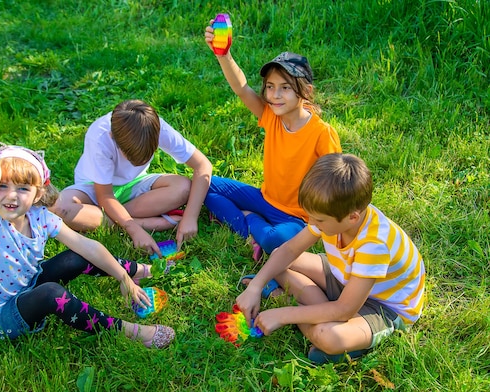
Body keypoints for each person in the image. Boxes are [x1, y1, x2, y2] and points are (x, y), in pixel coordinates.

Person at [0, 90, 175, 348]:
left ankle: (140, 272)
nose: (11, 196)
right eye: (2, 186)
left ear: (38, 193)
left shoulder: (40, 217)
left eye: (22, 189)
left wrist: (122, 277)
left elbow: (89, 247)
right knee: (52, 294)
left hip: (29, 288)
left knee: (76, 255)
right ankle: (129, 331)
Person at [236, 153, 426, 364]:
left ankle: (292, 302)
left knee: (328, 336)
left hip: (383, 306)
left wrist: (283, 314)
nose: (311, 223)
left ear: (352, 217)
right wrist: (255, 288)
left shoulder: (374, 245)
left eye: (318, 220)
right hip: (345, 276)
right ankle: (315, 312)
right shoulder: (335, 213)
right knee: (280, 259)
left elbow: (345, 310)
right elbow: (289, 250)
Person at [203, 20, 342, 262]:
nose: (275, 95)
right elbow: (242, 89)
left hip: (296, 218)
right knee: (204, 186)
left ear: (306, 91)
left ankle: (247, 221)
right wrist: (223, 55)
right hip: (264, 198)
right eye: (270, 87)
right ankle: (252, 224)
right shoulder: (272, 117)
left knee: (273, 240)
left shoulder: (321, 133)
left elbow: (335, 185)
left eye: (285, 87)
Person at [50, 99, 212, 257]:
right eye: (130, 157)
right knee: (58, 208)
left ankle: (107, 218)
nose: (140, 162)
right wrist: (134, 227)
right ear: (113, 137)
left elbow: (203, 166)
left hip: (134, 186)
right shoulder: (99, 136)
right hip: (93, 189)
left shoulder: (155, 127)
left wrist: (190, 217)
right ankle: (143, 222)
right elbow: (105, 196)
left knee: (183, 187)